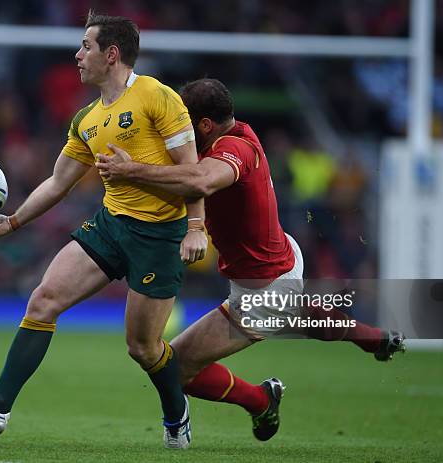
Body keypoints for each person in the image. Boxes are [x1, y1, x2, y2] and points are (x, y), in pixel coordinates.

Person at [0, 12, 207, 449]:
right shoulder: (86, 118)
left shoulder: (157, 97)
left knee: (142, 347)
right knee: (43, 300)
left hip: (160, 235)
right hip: (110, 225)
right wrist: (13, 221)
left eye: (86, 46)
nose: (78, 54)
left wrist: (196, 227)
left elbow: (193, 174)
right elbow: (58, 182)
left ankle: (177, 414)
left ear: (112, 53)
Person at [96, 78, 406, 441]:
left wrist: (131, 171)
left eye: (182, 122)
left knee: (173, 367)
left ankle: (260, 400)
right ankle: (373, 338)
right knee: (297, 312)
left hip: (261, 287)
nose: (175, 130)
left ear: (204, 125)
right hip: (282, 258)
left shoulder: (234, 150)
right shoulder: (237, 133)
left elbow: (200, 181)